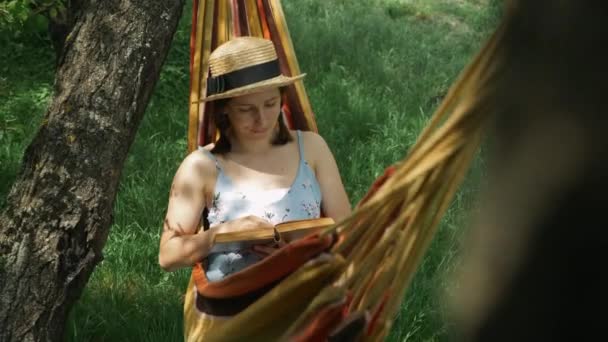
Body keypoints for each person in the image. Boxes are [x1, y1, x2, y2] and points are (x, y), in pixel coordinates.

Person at [158, 36, 351, 338]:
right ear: (224, 110)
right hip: (233, 319)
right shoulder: (201, 166)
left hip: (303, 310)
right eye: (246, 109)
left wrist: (299, 249)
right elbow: (168, 255)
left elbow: (349, 234)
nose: (261, 118)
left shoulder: (312, 149)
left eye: (271, 103)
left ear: (282, 98)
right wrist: (218, 235)